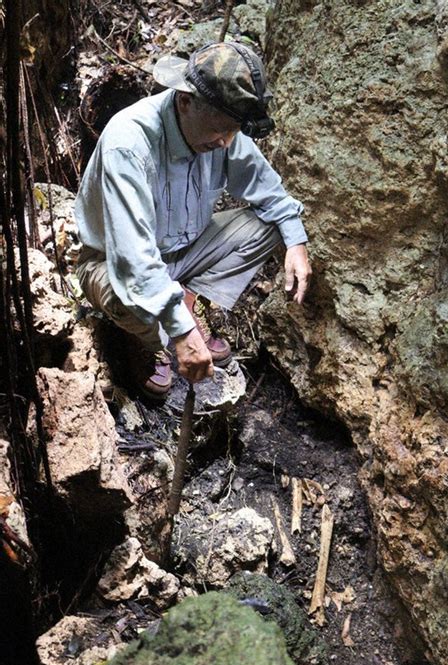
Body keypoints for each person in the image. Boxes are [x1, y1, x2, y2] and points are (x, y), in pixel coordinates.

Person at [75, 41, 311, 399]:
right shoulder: (129, 144)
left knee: (269, 226)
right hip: (114, 265)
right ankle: (147, 339)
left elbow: (269, 191)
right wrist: (183, 335)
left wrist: (296, 242)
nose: (226, 142)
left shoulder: (221, 133)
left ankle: (184, 303)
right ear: (184, 100)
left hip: (185, 250)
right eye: (220, 130)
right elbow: (135, 261)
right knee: (133, 302)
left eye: (233, 131)